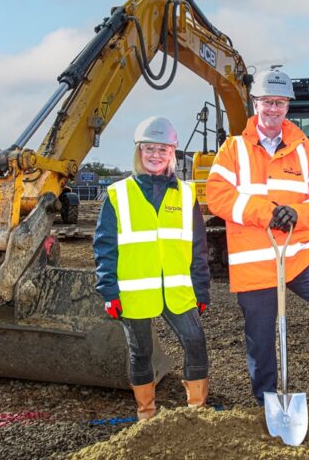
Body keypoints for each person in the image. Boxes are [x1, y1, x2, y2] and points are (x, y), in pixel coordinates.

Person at [205, 69, 309, 414]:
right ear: (255, 103)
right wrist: (268, 212)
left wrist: (298, 213)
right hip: (255, 260)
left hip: (298, 255)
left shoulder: (305, 151)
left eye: (279, 103)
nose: (273, 109)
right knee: (261, 337)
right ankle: (266, 400)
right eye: (267, 102)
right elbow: (216, 196)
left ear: (287, 106)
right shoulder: (234, 149)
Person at [93, 116, 211, 421]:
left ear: (172, 152)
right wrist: (109, 290)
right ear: (139, 152)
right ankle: (146, 414)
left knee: (195, 342)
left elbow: (198, 248)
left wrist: (202, 288)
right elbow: (105, 247)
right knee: (141, 353)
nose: (155, 155)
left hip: (178, 290)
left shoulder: (186, 195)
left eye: (162, 149)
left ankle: (197, 411)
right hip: (134, 292)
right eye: (149, 149)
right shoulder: (118, 195)